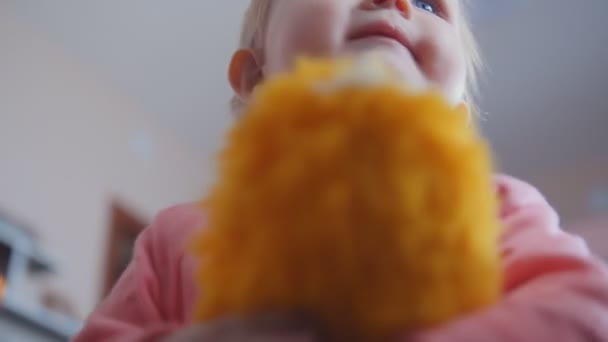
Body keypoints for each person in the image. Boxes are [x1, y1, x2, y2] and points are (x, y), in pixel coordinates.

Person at [73, 1, 608, 341]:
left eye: (428, 3)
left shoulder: (493, 208)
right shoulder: (176, 235)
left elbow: (582, 311)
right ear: (256, 77)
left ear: (452, 119)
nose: (395, 1)